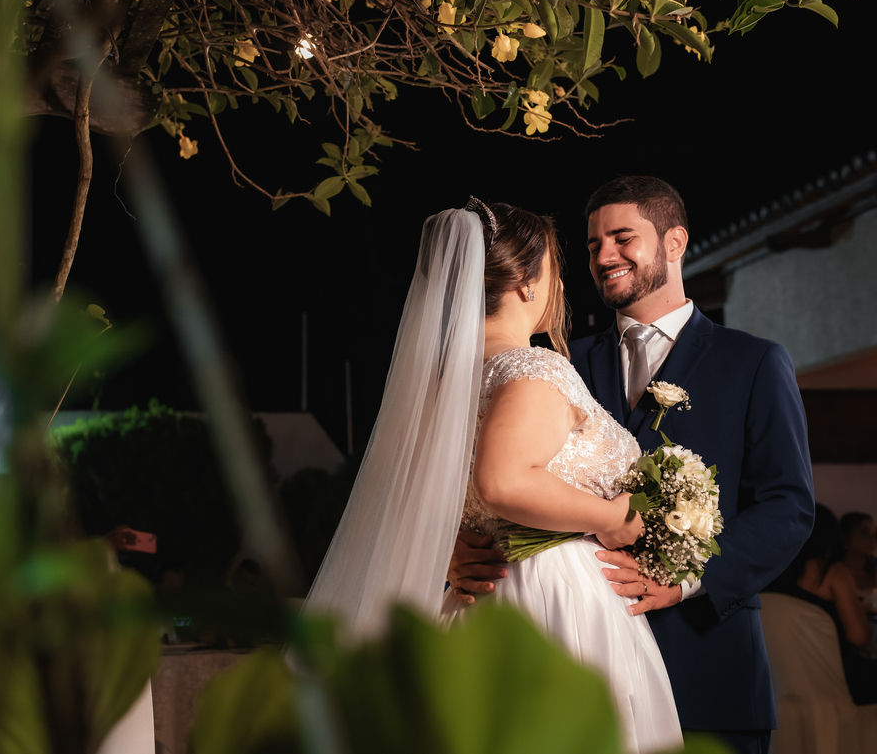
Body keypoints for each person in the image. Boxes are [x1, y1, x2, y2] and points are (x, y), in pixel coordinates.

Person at [302, 201, 682, 753]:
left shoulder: (437, 391)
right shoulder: (533, 366)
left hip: (476, 593)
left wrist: (443, 548)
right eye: (553, 267)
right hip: (549, 597)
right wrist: (614, 516)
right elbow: (503, 482)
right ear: (527, 283)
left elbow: (408, 502)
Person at [564, 176, 813, 754]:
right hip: (583, 666)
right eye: (594, 244)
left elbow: (787, 506)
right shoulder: (563, 364)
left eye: (622, 238)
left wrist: (683, 580)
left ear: (674, 242)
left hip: (709, 670)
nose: (604, 257)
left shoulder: (753, 362)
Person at [768, 504, 877, 705]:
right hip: (837, 678)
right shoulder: (832, 572)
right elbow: (860, 638)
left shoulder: (770, 572)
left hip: (781, 679)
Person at [832, 512, 877, 610]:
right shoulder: (834, 573)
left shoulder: (874, 573)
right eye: (865, 533)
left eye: (875, 534)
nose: (873, 539)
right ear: (846, 536)